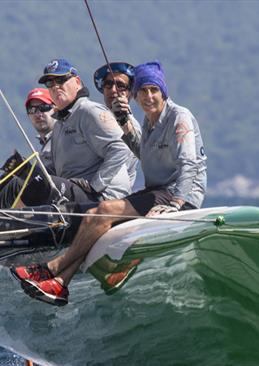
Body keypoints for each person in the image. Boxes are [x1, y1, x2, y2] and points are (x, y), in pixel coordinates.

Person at [12, 61, 207, 306]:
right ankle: (60, 284)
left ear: (163, 91)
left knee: (103, 210)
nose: (148, 96)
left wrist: (178, 203)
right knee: (96, 216)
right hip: (157, 192)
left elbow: (189, 164)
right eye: (143, 91)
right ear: (135, 95)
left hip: (177, 194)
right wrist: (125, 124)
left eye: (153, 90)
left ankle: (51, 268)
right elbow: (141, 153)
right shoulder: (149, 121)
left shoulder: (179, 116)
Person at [0, 58, 135, 209]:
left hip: (103, 195)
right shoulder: (61, 123)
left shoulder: (89, 112)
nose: (55, 87)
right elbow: (52, 170)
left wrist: (95, 186)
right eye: (50, 83)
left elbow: (121, 148)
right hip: (77, 191)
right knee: (20, 179)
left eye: (61, 80)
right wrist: (24, 171)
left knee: (17, 185)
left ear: (77, 82)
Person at [93, 61, 141, 185]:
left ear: (130, 92)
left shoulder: (133, 126)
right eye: (108, 84)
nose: (113, 90)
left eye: (120, 85)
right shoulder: (92, 117)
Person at [25, 87, 57, 172]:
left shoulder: (64, 137)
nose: (38, 114)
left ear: (55, 109)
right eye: (32, 110)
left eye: (44, 108)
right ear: (28, 115)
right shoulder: (45, 144)